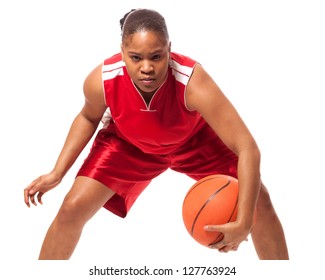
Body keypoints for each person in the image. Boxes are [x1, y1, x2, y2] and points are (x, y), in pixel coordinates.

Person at [24, 8, 289, 260]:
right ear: (123, 52)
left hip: (195, 143)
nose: (147, 67)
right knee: (71, 208)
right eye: (136, 57)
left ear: (169, 50)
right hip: (130, 145)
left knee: (259, 204)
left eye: (157, 56)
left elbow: (248, 148)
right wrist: (57, 173)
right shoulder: (102, 80)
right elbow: (88, 117)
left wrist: (243, 222)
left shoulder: (192, 81)